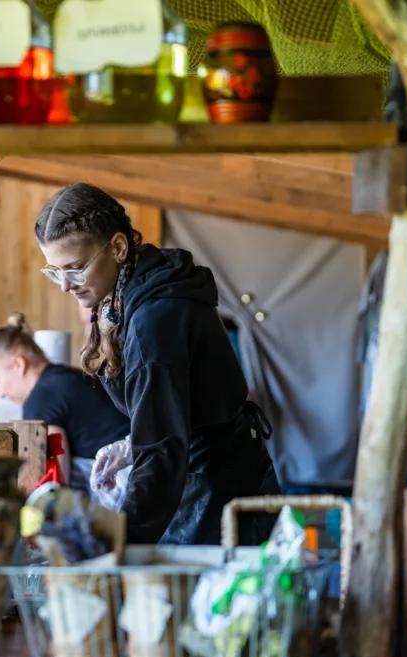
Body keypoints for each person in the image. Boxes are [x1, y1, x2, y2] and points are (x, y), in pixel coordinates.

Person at [34, 182, 279, 545]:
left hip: (214, 492)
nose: (65, 287)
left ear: (117, 247)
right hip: (199, 472)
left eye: (74, 269)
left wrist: (121, 540)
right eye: (55, 272)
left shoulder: (155, 318)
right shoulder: (130, 289)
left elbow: (163, 452)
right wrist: (135, 442)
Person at [0, 313, 131, 492]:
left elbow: (54, 485)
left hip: (123, 481)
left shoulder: (39, 399)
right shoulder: (64, 376)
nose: (0, 394)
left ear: (19, 365)